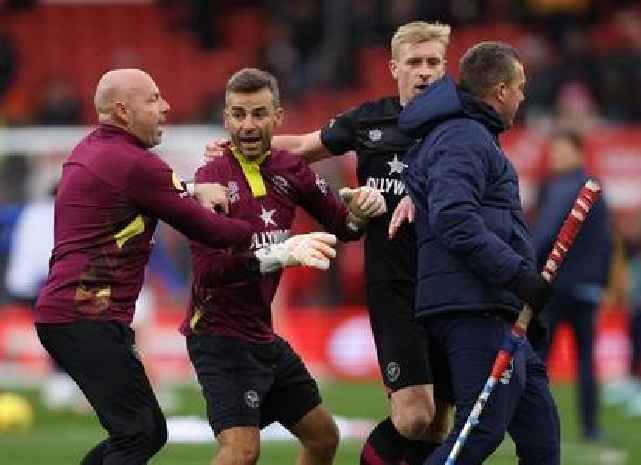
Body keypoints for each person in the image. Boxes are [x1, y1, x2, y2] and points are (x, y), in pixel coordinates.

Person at [33, 68, 338, 465]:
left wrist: (191, 190)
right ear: (124, 111)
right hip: (86, 317)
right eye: (154, 99)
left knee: (142, 433)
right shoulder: (136, 163)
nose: (165, 107)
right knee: (141, 435)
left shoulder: (91, 150)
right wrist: (282, 245)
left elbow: (144, 191)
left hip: (73, 316)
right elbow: (208, 229)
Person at [205, 21, 453, 465]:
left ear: (445, 67)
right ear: (394, 67)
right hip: (394, 284)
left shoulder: (463, 123)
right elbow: (300, 146)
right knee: (415, 417)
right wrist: (238, 149)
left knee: (439, 423)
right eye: (414, 63)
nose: (424, 72)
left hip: (451, 285)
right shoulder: (370, 120)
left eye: (433, 62)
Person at [182, 67, 386, 465]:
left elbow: (343, 226)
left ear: (278, 117)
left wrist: (361, 211)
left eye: (259, 114)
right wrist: (278, 255)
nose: (248, 124)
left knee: (324, 438)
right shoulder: (211, 179)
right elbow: (209, 272)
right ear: (226, 119)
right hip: (218, 336)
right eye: (238, 114)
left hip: (261, 335)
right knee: (242, 450)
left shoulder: (290, 169)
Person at [399, 42, 559, 464]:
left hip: (497, 307)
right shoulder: (464, 136)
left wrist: (524, 298)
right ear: (501, 90)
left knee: (541, 437)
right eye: (521, 87)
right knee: (479, 432)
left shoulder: (472, 135)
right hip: (475, 306)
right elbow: (455, 219)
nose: (524, 97)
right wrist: (517, 275)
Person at [532, 130, 613, 441]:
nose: (556, 157)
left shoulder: (563, 187)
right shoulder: (594, 189)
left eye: (562, 151)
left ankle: (531, 424)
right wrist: (601, 281)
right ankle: (590, 427)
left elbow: (545, 235)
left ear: (578, 153)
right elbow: (606, 242)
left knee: (539, 361)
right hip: (586, 289)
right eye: (554, 151)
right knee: (585, 361)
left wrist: (523, 270)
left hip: (556, 288)